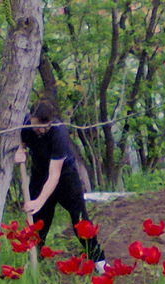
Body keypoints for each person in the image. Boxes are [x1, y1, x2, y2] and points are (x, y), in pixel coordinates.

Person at [16, 100, 106, 272]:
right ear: (31, 118)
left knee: (80, 219)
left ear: (51, 121)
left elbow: (54, 175)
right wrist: (19, 150)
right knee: (38, 222)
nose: (39, 130)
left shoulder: (59, 133)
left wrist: (39, 201)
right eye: (36, 125)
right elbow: (20, 142)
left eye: (44, 127)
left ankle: (98, 261)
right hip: (39, 175)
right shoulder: (25, 125)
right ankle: (35, 262)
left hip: (65, 178)